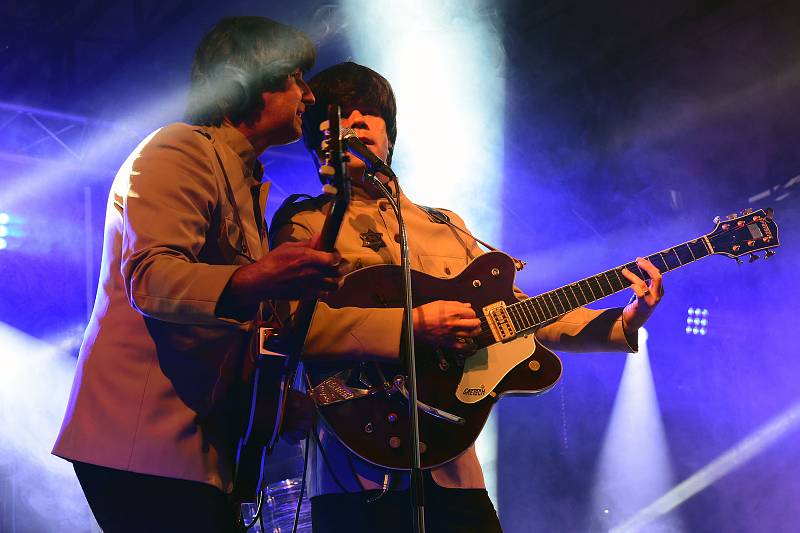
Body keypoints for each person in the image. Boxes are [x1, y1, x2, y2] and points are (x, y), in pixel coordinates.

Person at [269, 62, 664, 533]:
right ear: (319, 144)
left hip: (453, 467)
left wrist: (624, 320)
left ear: (389, 136)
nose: (354, 122)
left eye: (366, 113)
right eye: (338, 116)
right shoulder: (306, 225)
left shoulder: (444, 224)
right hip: (356, 464)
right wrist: (412, 326)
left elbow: (519, 313)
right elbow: (295, 326)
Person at [52, 17, 343, 532]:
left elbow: (227, 327)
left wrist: (274, 403)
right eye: (295, 76)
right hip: (140, 443)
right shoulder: (178, 149)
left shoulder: (245, 178)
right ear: (243, 80)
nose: (308, 92)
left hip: (189, 449)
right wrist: (261, 279)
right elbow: (153, 278)